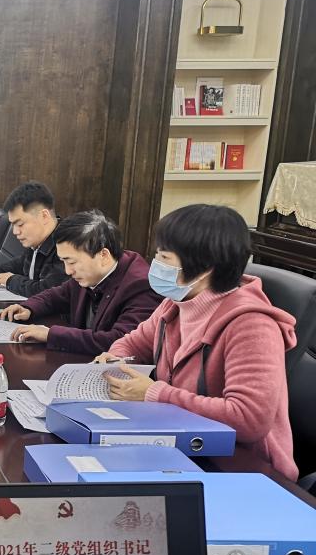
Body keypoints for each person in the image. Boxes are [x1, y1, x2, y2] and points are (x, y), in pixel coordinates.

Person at [98, 204, 298, 481]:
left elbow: (248, 418)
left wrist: (155, 393)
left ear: (204, 268)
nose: (155, 264)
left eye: (164, 257)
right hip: (182, 444)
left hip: (241, 467)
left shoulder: (252, 325)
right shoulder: (176, 303)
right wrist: (117, 360)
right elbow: (133, 343)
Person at [0, 210, 161, 354]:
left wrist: (51, 334)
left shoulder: (141, 286)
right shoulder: (91, 273)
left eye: (72, 262)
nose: (68, 271)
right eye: (63, 261)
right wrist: (28, 307)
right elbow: (57, 295)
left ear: (103, 255)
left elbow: (120, 341)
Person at [0, 181, 68, 296]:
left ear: (44, 216)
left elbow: (48, 291)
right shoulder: (38, 240)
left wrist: (11, 281)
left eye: (20, 224)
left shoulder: (67, 245)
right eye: (13, 225)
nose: (15, 232)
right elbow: (19, 265)